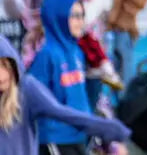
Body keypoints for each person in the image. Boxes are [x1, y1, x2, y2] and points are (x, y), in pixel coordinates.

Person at [0, 36, 129, 155]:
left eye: (5, 66)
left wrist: (112, 129)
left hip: (68, 138)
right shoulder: (47, 55)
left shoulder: (26, 88)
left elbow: (64, 113)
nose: (1, 76)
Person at [28, 0, 98, 154]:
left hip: (77, 135)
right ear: (58, 17)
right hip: (55, 139)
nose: (81, 21)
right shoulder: (47, 55)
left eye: (82, 15)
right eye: (74, 16)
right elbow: (33, 97)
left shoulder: (77, 52)